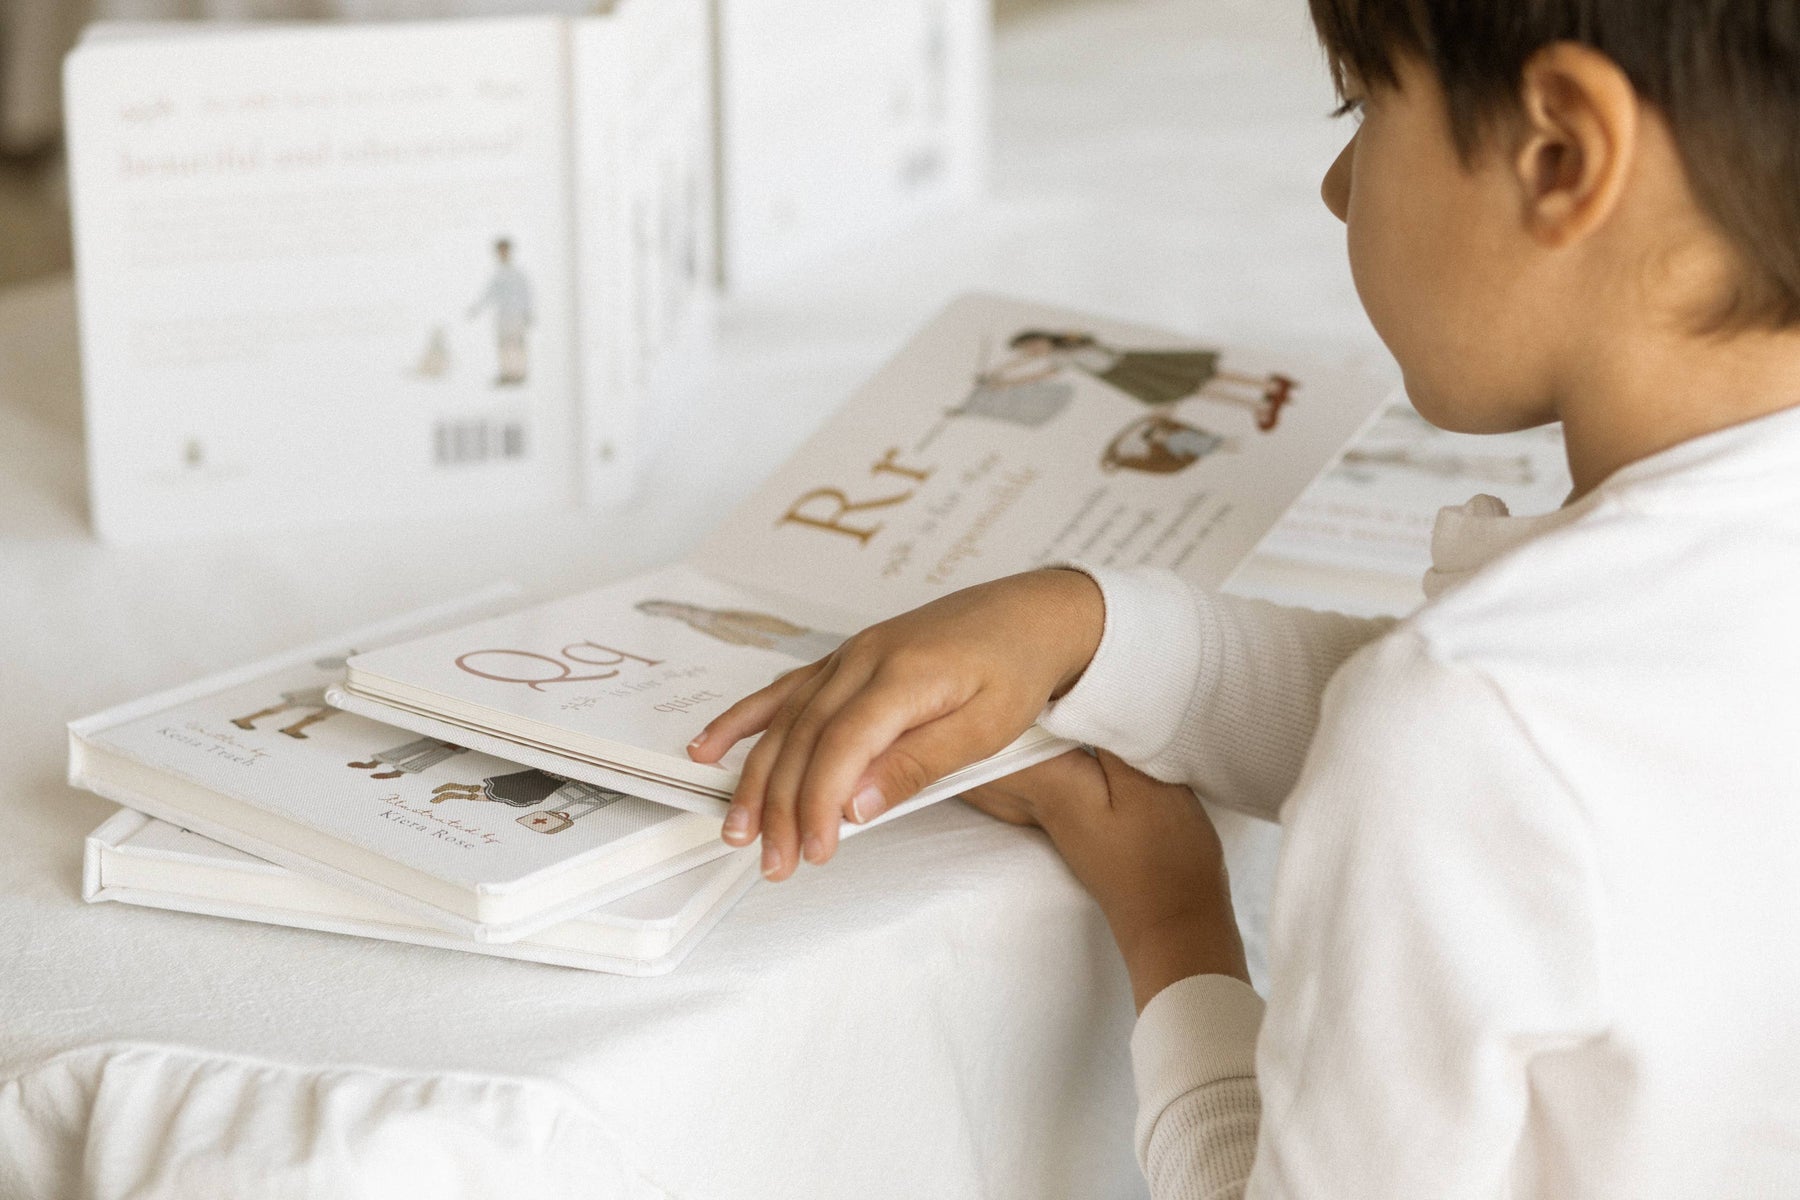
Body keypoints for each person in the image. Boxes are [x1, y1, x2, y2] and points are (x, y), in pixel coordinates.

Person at [686, 1, 1800, 1195]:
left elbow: (1487, 762)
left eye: (1363, 105)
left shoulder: (1470, 730)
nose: (1335, 186)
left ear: (1561, 154)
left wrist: (1173, 923)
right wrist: (1091, 629)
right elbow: (1566, 779)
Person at [468, 237, 533, 386]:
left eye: (504, 250)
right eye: (500, 251)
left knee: (518, 344)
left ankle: (519, 373)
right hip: (502, 315)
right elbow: (489, 294)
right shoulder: (497, 275)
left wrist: (528, 312)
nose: (502, 254)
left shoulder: (518, 274)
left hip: (516, 314)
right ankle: (506, 374)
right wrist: (477, 308)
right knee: (503, 344)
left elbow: (526, 293)